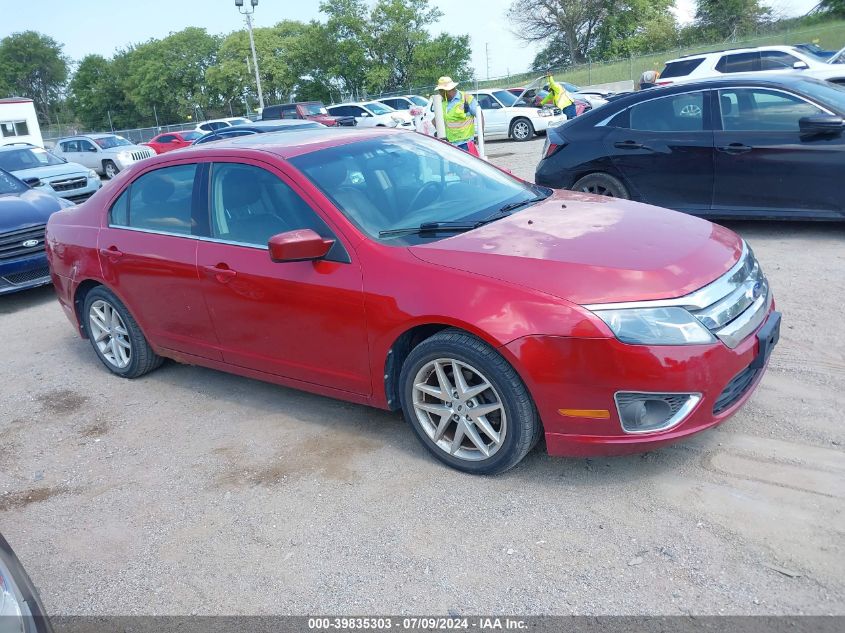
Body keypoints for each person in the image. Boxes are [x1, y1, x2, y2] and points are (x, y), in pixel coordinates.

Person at [436, 76, 479, 154]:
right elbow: (435, 121)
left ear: (447, 90)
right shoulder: (442, 102)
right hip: (450, 144)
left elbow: (479, 115)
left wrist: (481, 136)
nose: (440, 93)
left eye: (441, 91)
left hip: (466, 144)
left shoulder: (467, 99)